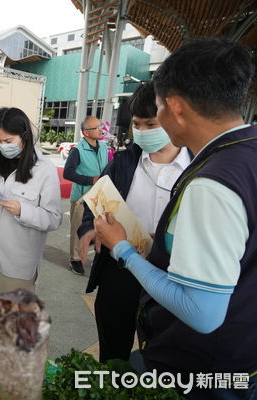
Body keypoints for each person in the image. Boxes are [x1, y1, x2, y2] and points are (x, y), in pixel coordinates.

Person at [94, 38, 257, 398]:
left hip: (201, 370)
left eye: (158, 109)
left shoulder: (212, 183)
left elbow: (201, 312)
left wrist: (124, 249)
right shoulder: (247, 153)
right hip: (242, 354)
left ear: (176, 108)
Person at [77, 82, 191, 363]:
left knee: (162, 359)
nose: (142, 131)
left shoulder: (197, 168)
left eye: (150, 124)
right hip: (120, 273)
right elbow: (97, 202)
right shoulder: (124, 162)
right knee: (113, 354)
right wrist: (89, 228)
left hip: (170, 278)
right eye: (137, 124)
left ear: (173, 118)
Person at [0, 107, 62, 298]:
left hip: (18, 263)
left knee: (13, 324)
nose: (3, 146)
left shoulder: (44, 169)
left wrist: (22, 210)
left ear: (24, 137)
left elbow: (54, 218)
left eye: (8, 141)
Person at [63, 116, 108, 275]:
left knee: (100, 227)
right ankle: (75, 259)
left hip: (100, 196)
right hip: (82, 198)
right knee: (78, 229)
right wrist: (90, 179)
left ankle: (97, 255)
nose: (100, 129)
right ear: (86, 132)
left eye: (100, 126)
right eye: (96, 127)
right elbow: (68, 173)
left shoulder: (103, 147)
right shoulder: (77, 150)